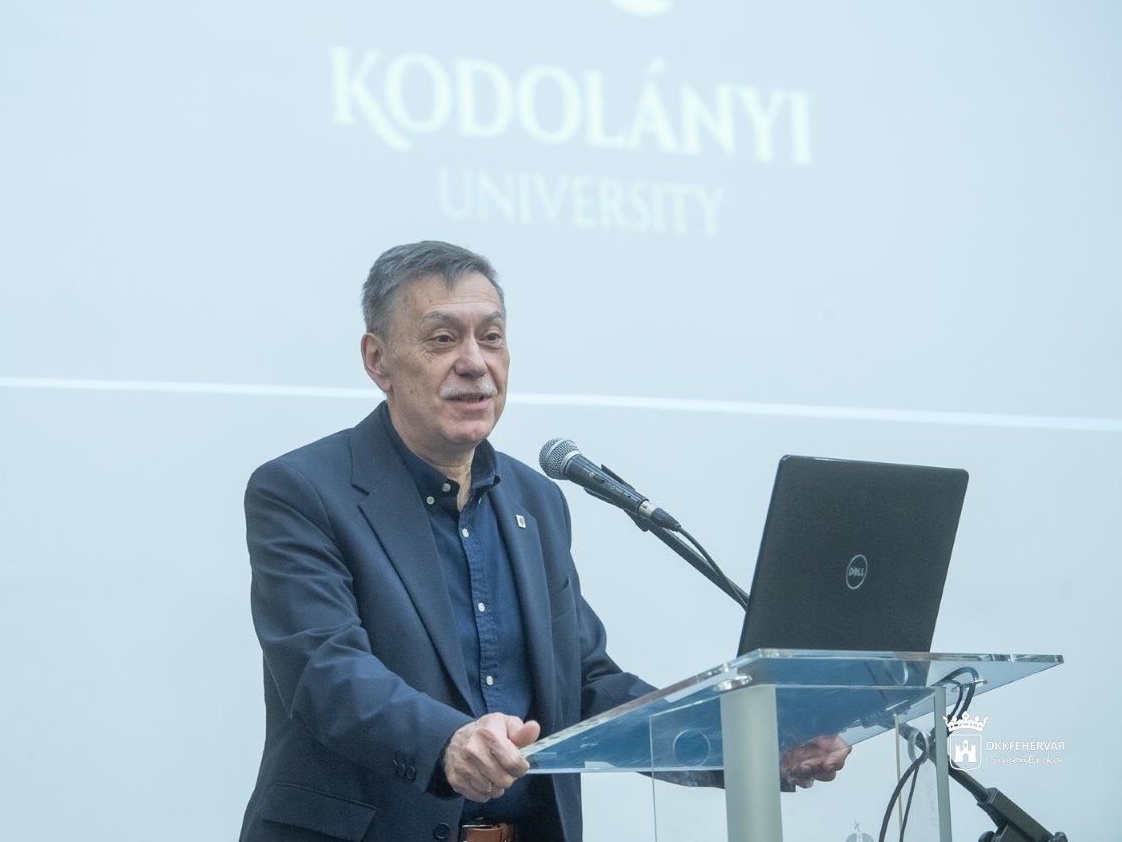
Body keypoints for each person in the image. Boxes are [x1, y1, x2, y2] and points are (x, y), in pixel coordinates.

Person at [238, 241, 848, 842]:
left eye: (492, 338)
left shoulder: (536, 500)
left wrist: (750, 745)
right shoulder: (301, 491)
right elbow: (326, 671)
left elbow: (587, 687)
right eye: (443, 339)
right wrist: (447, 741)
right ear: (378, 361)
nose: (474, 362)